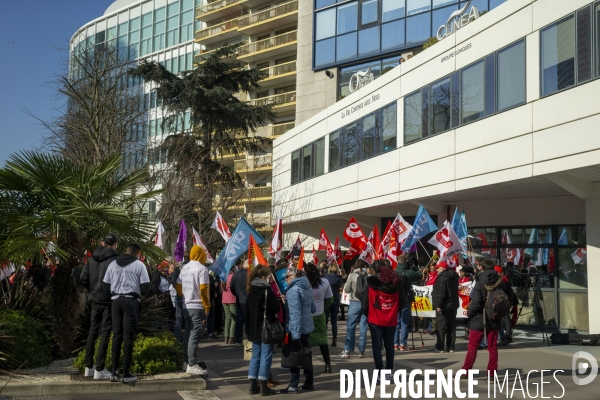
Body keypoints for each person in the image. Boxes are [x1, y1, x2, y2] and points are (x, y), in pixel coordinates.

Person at [102, 242, 150, 383]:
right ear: (137, 253)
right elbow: (146, 287)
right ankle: (126, 372)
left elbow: (105, 286)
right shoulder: (139, 265)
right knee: (128, 336)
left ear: (126, 251)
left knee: (117, 335)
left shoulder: (113, 264)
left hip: (115, 302)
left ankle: (114, 372)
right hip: (130, 301)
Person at [80, 233, 119, 380]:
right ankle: (100, 368)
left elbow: (83, 278)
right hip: (108, 299)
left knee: (92, 331)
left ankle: (88, 367)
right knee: (105, 333)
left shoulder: (92, 258)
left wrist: (92, 290)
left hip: (95, 298)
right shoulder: (115, 259)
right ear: (115, 244)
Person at [461, 258, 503, 376]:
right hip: (494, 317)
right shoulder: (500, 281)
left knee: (473, 346)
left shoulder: (480, 283)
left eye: (479, 266)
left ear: (482, 268)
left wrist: (469, 314)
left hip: (479, 318)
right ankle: (492, 373)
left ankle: (465, 371)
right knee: (492, 347)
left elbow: (476, 302)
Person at [361, 260, 401, 382]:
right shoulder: (396, 284)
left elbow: (365, 302)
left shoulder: (372, 284)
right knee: (389, 346)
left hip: (375, 318)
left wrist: (366, 313)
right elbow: (403, 302)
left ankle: (380, 373)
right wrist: (393, 310)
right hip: (391, 319)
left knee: (377, 347)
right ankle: (389, 372)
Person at [175, 245, 211, 376]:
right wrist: (207, 305)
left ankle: (186, 362)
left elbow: (177, 285)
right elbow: (204, 289)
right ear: (201, 254)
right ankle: (192, 363)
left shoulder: (185, 268)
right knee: (195, 334)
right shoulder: (202, 268)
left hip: (186, 305)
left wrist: (185, 295)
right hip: (197, 305)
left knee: (188, 334)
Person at [245, 265, 280, 396]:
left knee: (255, 355)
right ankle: (264, 385)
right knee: (266, 356)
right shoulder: (266, 290)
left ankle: (253, 384)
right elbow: (275, 308)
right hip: (266, 328)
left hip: (253, 328)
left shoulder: (251, 289)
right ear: (264, 277)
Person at [281, 267, 315, 394]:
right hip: (307, 326)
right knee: (306, 354)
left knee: (294, 356)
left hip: (296, 328)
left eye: (287, 276)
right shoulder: (307, 287)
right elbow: (312, 308)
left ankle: (293, 385)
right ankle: (309, 382)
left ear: (293, 277)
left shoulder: (293, 291)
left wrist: (295, 333)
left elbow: (295, 314)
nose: (286, 279)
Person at [305, 263, 334, 373]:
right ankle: (328, 364)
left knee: (307, 343)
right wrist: (322, 308)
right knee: (323, 341)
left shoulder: (304, 283)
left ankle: (308, 366)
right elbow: (329, 299)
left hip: (306, 316)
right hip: (320, 314)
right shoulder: (325, 282)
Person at [340, 260, 369, 358]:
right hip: (365, 302)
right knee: (363, 327)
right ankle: (361, 351)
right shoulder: (368, 275)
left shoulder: (352, 275)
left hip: (354, 302)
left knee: (350, 326)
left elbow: (347, 289)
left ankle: (347, 350)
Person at [431, 260, 459, 353]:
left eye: (438, 268)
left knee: (441, 326)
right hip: (453, 305)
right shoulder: (454, 276)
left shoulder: (442, 278)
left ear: (442, 268)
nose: (437, 270)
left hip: (444, 305)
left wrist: (438, 305)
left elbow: (441, 292)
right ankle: (451, 346)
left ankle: (440, 346)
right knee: (451, 326)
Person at [394, 255, 420, 351]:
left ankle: (395, 343)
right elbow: (419, 275)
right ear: (406, 262)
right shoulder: (409, 272)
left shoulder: (394, 272)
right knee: (405, 322)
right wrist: (413, 267)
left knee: (396, 322)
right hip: (406, 299)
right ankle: (402, 344)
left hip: (396, 299)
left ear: (398, 261)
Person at [151, 259, 174, 331]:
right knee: (158, 320)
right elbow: (153, 288)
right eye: (165, 268)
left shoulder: (165, 277)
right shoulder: (157, 277)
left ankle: (165, 334)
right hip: (160, 302)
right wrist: (162, 294)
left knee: (165, 320)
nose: (167, 270)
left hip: (165, 302)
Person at [231, 259, 248, 347]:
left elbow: (232, 287)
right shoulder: (251, 274)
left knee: (239, 320)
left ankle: (238, 339)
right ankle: (248, 339)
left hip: (239, 299)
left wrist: (237, 294)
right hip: (248, 300)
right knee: (248, 320)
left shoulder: (236, 275)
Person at [324, 263, 342, 347]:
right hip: (335, 299)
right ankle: (334, 340)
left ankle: (324, 339)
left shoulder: (325, 277)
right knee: (334, 321)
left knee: (325, 321)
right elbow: (339, 288)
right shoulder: (338, 278)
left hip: (327, 299)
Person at [221, 267, 237, 344]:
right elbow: (234, 287)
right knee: (234, 318)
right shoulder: (232, 276)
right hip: (232, 298)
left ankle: (226, 336)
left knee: (227, 317)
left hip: (224, 299)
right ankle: (231, 336)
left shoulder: (223, 275)